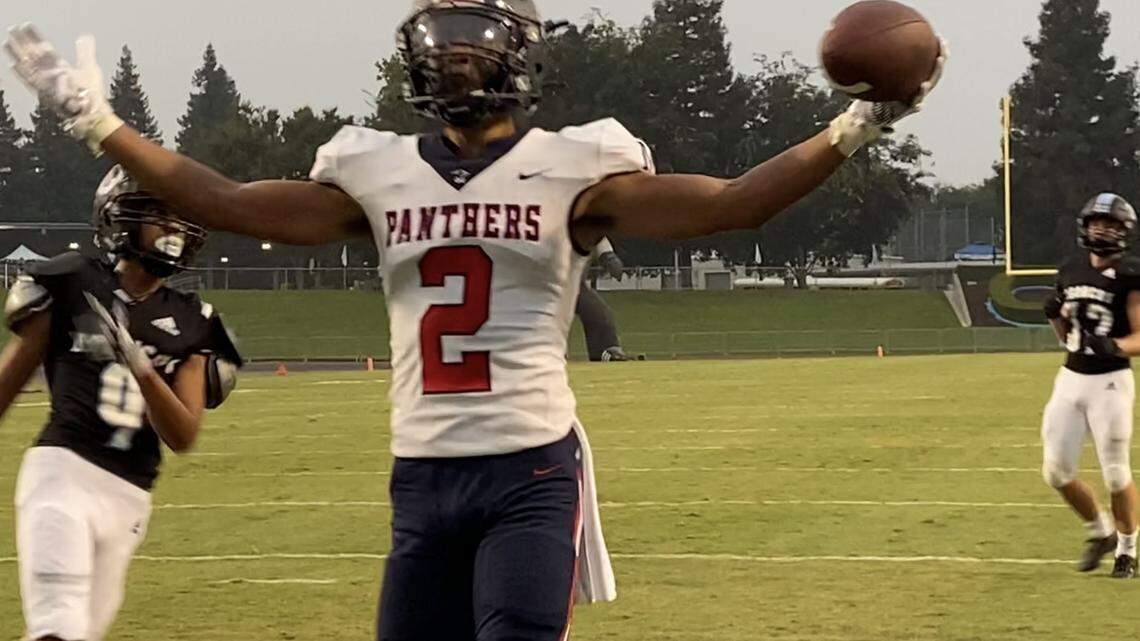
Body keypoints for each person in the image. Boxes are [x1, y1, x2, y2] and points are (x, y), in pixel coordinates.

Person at [4, 3, 945, 638]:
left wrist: (852, 129)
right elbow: (229, 198)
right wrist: (98, 122)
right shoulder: (373, 169)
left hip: (529, 469)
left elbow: (734, 203)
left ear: (521, 52)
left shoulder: (579, 167)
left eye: (474, 34)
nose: (452, 52)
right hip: (421, 476)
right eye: (440, 32)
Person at [0, 165, 242, 641]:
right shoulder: (73, 282)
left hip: (130, 497)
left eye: (181, 219)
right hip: (62, 475)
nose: (174, 229)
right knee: (58, 626)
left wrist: (145, 370)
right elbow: (9, 378)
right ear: (123, 217)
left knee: (76, 632)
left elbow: (183, 435)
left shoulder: (194, 319)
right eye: (162, 216)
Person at [1043, 193, 1140, 579]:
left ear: (1123, 231)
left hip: (1111, 382)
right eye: (1097, 222)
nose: (1101, 228)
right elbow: (1065, 337)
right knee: (1056, 471)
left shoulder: (1131, 274)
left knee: (1116, 472)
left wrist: (1114, 345)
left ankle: (1128, 549)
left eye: (1110, 224)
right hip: (1071, 378)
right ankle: (1100, 530)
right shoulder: (1069, 270)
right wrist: (1054, 317)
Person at [577, 237, 630, 362]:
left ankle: (606, 350)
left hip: (573, 284)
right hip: (540, 286)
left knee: (596, 312)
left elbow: (595, 235)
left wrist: (608, 255)